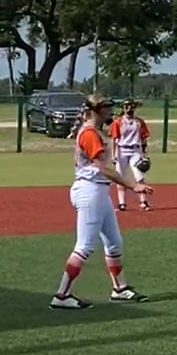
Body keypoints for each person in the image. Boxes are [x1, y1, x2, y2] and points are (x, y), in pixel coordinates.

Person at [52, 96, 154, 310]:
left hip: (98, 191)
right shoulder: (89, 133)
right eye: (106, 107)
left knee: (114, 242)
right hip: (90, 191)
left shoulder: (95, 131)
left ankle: (119, 289)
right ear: (96, 110)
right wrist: (133, 185)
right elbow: (103, 168)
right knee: (85, 246)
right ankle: (62, 295)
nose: (110, 111)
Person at [109, 98, 153, 212]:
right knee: (120, 177)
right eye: (126, 107)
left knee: (139, 176)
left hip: (135, 150)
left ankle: (143, 201)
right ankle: (122, 203)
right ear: (123, 108)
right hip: (122, 150)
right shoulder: (118, 122)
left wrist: (145, 154)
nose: (129, 109)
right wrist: (113, 155)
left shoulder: (139, 122)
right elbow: (114, 139)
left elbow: (144, 139)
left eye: (131, 106)